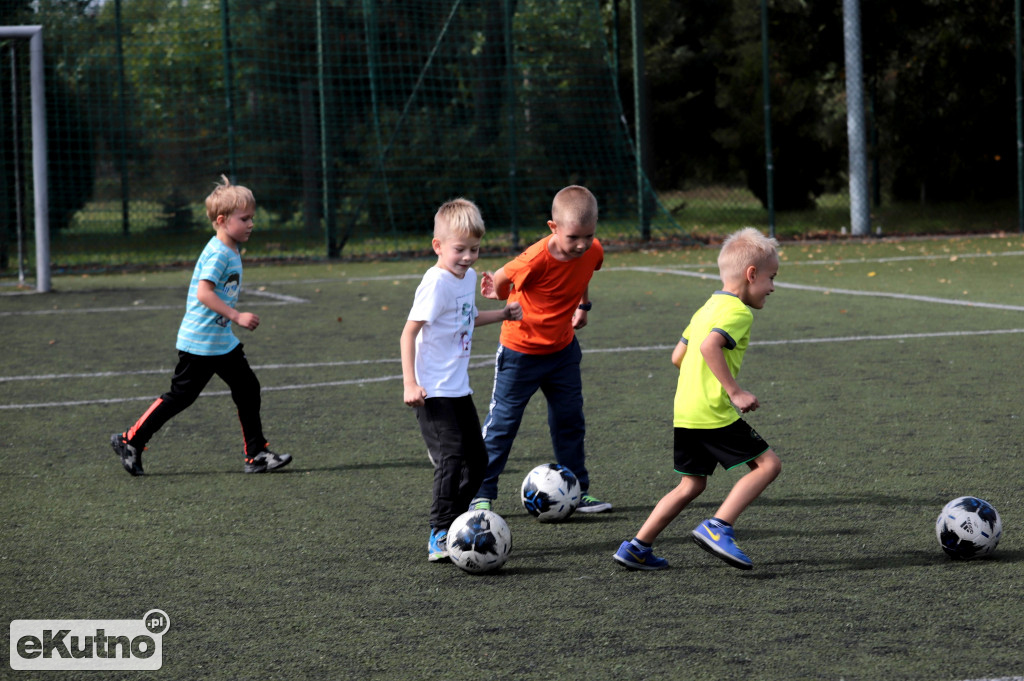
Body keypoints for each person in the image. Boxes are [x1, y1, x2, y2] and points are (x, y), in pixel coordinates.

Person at [613, 227, 783, 571]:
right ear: (751, 275)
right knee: (768, 466)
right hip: (712, 412)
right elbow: (709, 347)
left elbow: (679, 356)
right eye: (771, 278)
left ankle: (636, 547)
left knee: (691, 484)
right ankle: (718, 527)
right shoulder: (738, 312)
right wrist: (734, 391)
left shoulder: (706, 308)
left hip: (685, 411)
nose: (773, 287)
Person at [109, 176, 290, 476]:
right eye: (244, 218)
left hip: (220, 341)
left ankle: (256, 454)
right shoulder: (220, 254)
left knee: (247, 388)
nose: (250, 224)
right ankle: (130, 439)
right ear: (222, 220)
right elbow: (203, 293)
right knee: (181, 396)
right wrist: (236, 315)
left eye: (251, 218)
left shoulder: (229, 248)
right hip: (201, 342)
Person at [470, 185, 612, 514]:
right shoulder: (534, 259)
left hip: (562, 352)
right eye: (573, 237)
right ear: (554, 227)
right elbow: (502, 280)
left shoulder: (593, 250)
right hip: (520, 352)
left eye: (588, 236)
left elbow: (585, 269)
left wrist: (583, 305)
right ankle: (481, 493)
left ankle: (576, 490)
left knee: (570, 421)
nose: (581, 245)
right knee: (503, 424)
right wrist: (496, 292)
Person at [400, 198, 522, 562]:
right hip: (431, 390)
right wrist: (410, 383)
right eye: (459, 250)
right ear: (438, 246)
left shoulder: (466, 277)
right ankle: (440, 531)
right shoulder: (435, 282)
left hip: (458, 388)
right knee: (451, 458)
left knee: (480, 460)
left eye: (474, 248)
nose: (468, 257)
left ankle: (456, 521)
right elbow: (408, 334)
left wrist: (502, 313)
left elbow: (464, 318)